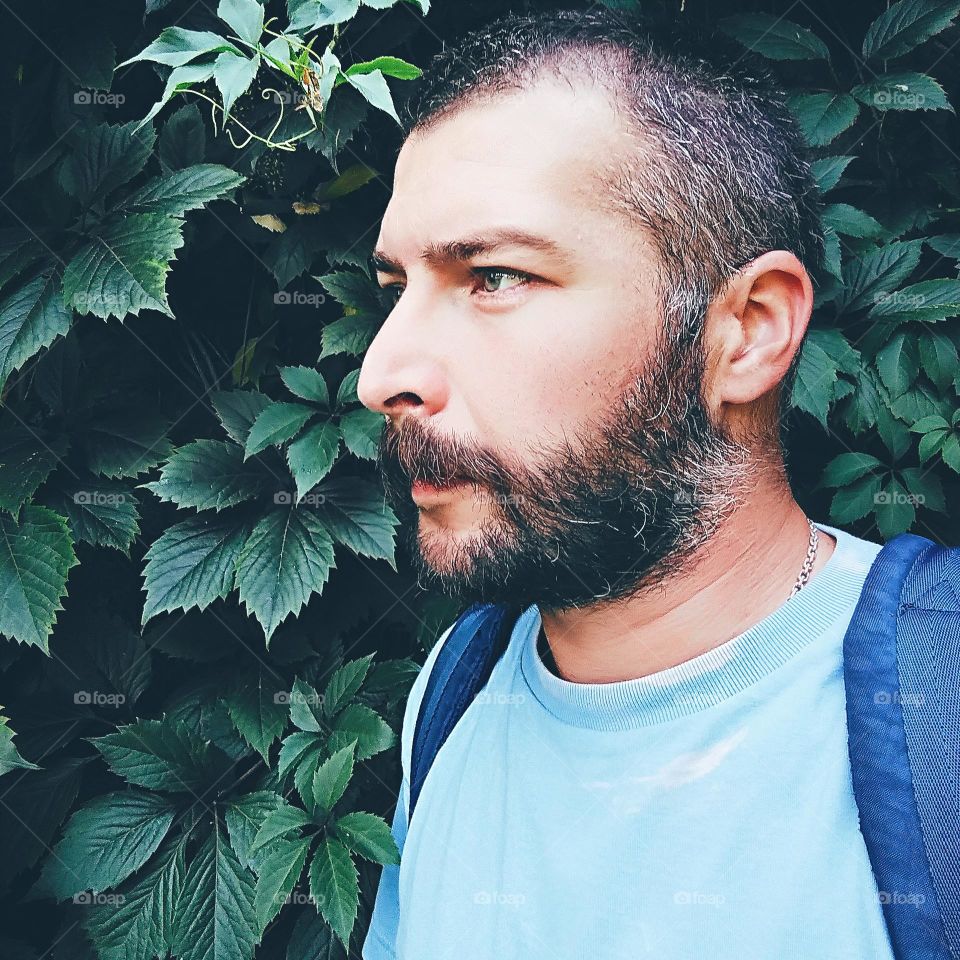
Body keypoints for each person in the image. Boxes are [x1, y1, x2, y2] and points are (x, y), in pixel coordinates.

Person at [356, 7, 898, 958]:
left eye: (493, 277)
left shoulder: (931, 719)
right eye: (395, 287)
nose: (380, 374)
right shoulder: (454, 694)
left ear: (750, 331)